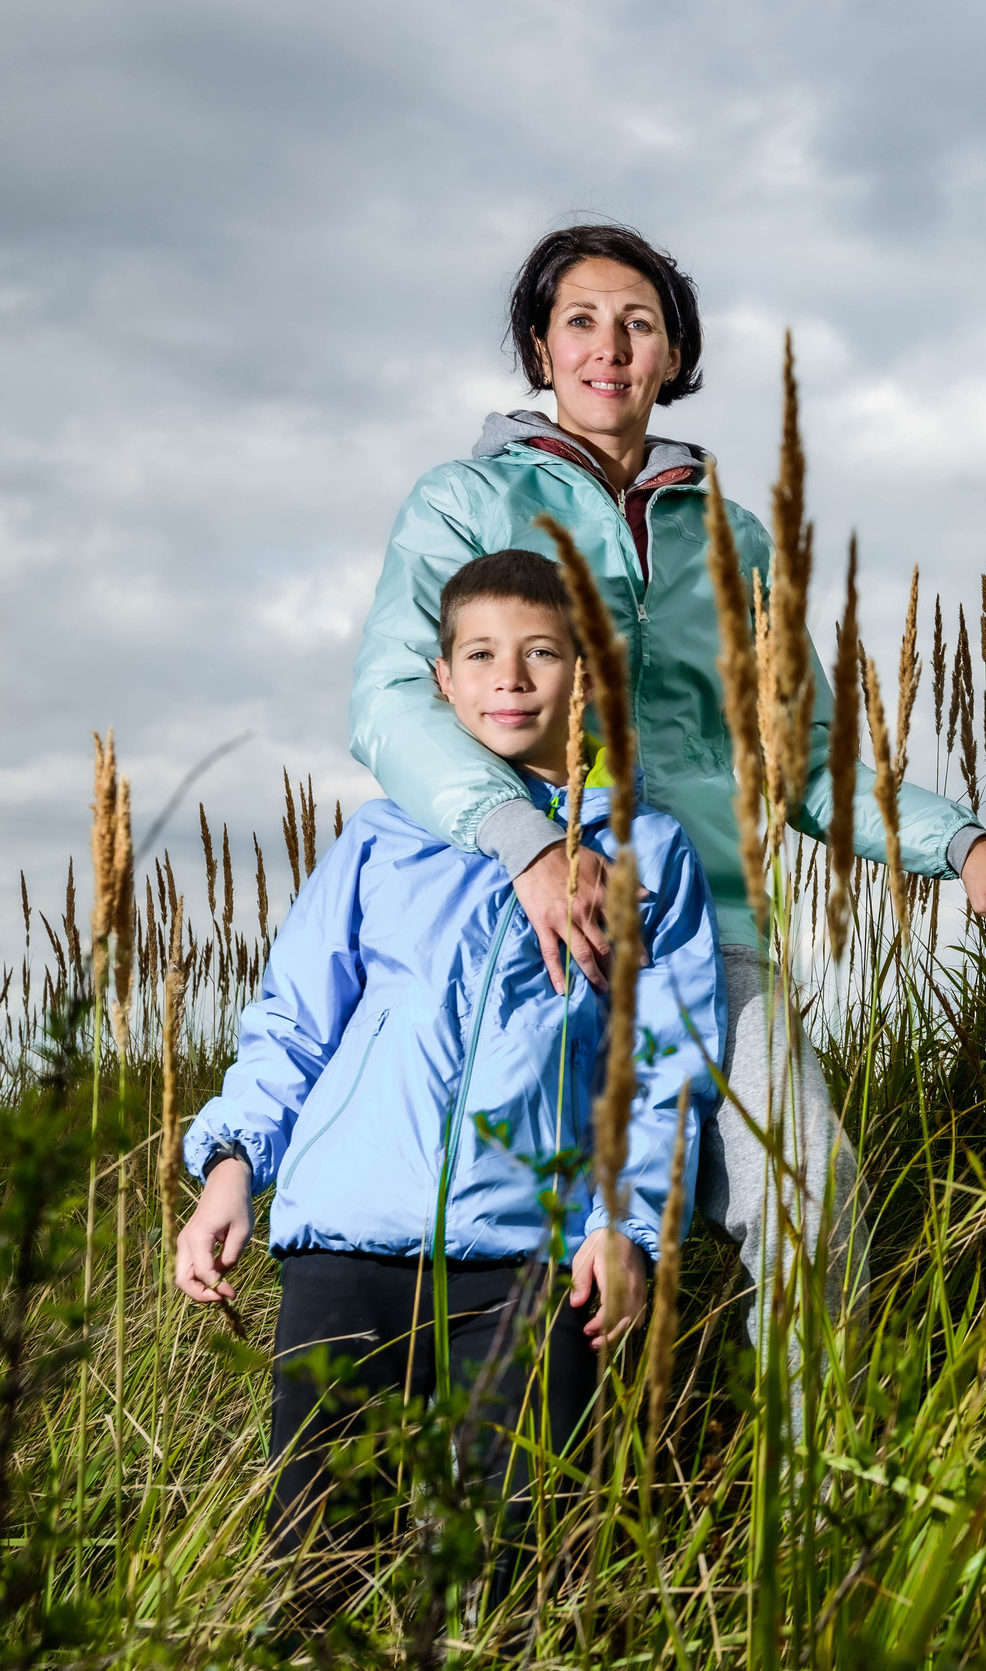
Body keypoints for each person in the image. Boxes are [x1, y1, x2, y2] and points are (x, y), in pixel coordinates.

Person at [349, 225, 986, 1348]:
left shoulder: (729, 534)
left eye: (639, 322)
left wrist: (964, 846)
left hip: (712, 937)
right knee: (528, 1249)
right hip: (528, 929)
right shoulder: (463, 502)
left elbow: (806, 754)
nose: (609, 346)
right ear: (539, 347)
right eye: (580, 319)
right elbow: (390, 696)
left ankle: (816, 1495)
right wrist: (524, 846)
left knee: (812, 1202)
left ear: (675, 352)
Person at [174, 550, 724, 1594]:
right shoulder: (381, 840)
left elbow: (669, 1065)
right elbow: (294, 1020)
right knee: (321, 1563)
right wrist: (233, 1163)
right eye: (479, 653)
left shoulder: (648, 852)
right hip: (348, 1248)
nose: (508, 677)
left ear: (591, 673)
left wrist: (633, 1223)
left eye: (540, 653)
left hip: (532, 1260)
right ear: (441, 679)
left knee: (528, 1568)